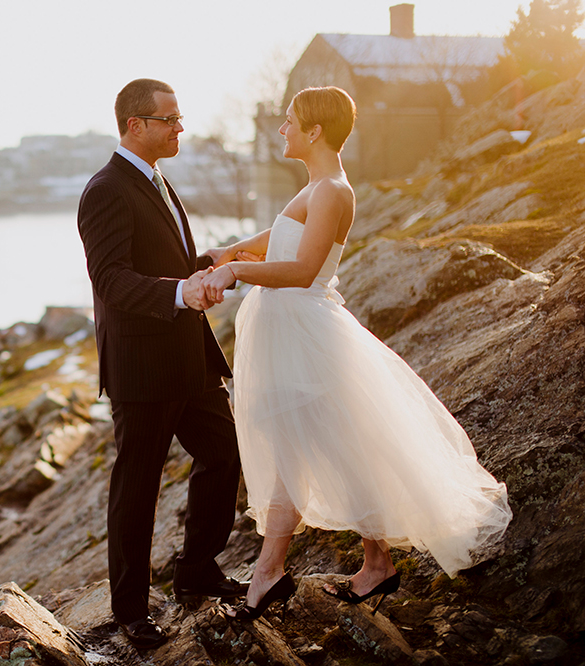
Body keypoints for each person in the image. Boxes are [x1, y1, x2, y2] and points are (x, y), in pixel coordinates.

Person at [199, 86, 512, 620]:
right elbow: (283, 237)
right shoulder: (319, 186)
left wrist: (236, 271)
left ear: (314, 131)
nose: (282, 130)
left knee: (301, 448)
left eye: (290, 121)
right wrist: (230, 250)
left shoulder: (332, 191)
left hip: (304, 331)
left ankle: (278, 570)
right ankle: (368, 564)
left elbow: (301, 270)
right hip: (289, 328)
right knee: (321, 446)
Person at [77, 78, 247, 648]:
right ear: (135, 126)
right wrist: (183, 292)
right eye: (170, 119)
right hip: (143, 369)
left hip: (189, 359)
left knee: (224, 454)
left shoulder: (157, 180)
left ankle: (196, 569)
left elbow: (162, 262)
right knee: (138, 488)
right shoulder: (105, 189)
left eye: (179, 118)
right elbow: (112, 281)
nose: (180, 128)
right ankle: (129, 609)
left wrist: (208, 265)